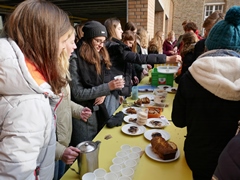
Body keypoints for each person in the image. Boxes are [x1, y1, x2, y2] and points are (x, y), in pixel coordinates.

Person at [0, 0, 72, 179]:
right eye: (63, 40)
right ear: (44, 42)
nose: (64, 47)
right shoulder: (29, 103)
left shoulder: (16, 82)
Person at [171, 6, 240, 180]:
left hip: (197, 156)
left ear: (208, 46)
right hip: (230, 164)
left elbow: (178, 121)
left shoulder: (191, 77)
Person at [103, 17, 181, 110]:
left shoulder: (112, 45)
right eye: (119, 28)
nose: (122, 31)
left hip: (116, 89)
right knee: (111, 119)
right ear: (112, 30)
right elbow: (138, 58)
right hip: (112, 91)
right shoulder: (115, 47)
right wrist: (166, 58)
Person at [69, 20, 125, 147]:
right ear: (88, 39)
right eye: (97, 41)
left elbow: (104, 78)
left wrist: (105, 92)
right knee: (85, 153)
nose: (101, 45)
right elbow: (77, 94)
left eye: (103, 41)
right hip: (84, 116)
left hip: (99, 111)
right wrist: (107, 87)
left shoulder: (100, 55)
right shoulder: (75, 59)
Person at [53, 27, 92, 180]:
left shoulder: (61, 69)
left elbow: (63, 103)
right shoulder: (48, 75)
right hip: (54, 149)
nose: (75, 46)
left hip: (62, 144)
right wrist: (59, 150)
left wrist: (78, 110)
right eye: (71, 42)